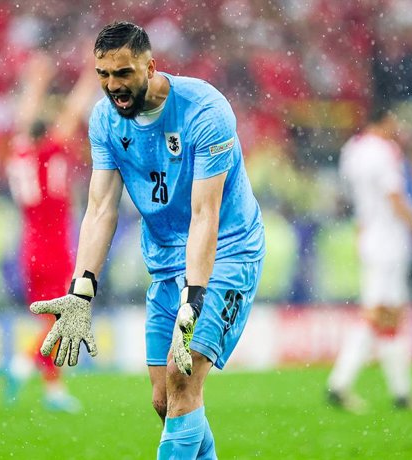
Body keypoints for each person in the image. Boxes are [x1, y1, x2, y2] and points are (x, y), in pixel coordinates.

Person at [29, 22, 265, 458]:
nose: (113, 86)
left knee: (184, 380)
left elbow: (204, 214)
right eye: (103, 75)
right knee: (164, 400)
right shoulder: (104, 120)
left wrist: (193, 299)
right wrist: (82, 290)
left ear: (150, 66)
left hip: (227, 250)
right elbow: (101, 208)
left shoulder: (205, 111)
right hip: (164, 260)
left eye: (123, 74)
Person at [327, 106, 412, 413]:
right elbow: (394, 197)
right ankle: (339, 383)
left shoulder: (353, 149)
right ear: (387, 119)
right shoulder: (386, 152)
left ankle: (401, 392)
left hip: (368, 235)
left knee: (390, 315)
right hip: (388, 241)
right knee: (378, 313)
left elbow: (356, 195)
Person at [4, 50, 99, 412]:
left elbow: (22, 124)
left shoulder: (21, 156)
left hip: (29, 245)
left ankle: (53, 389)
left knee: (51, 317)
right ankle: (23, 363)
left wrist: (36, 83)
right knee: (66, 315)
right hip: (55, 245)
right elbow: (72, 114)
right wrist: (91, 80)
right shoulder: (51, 153)